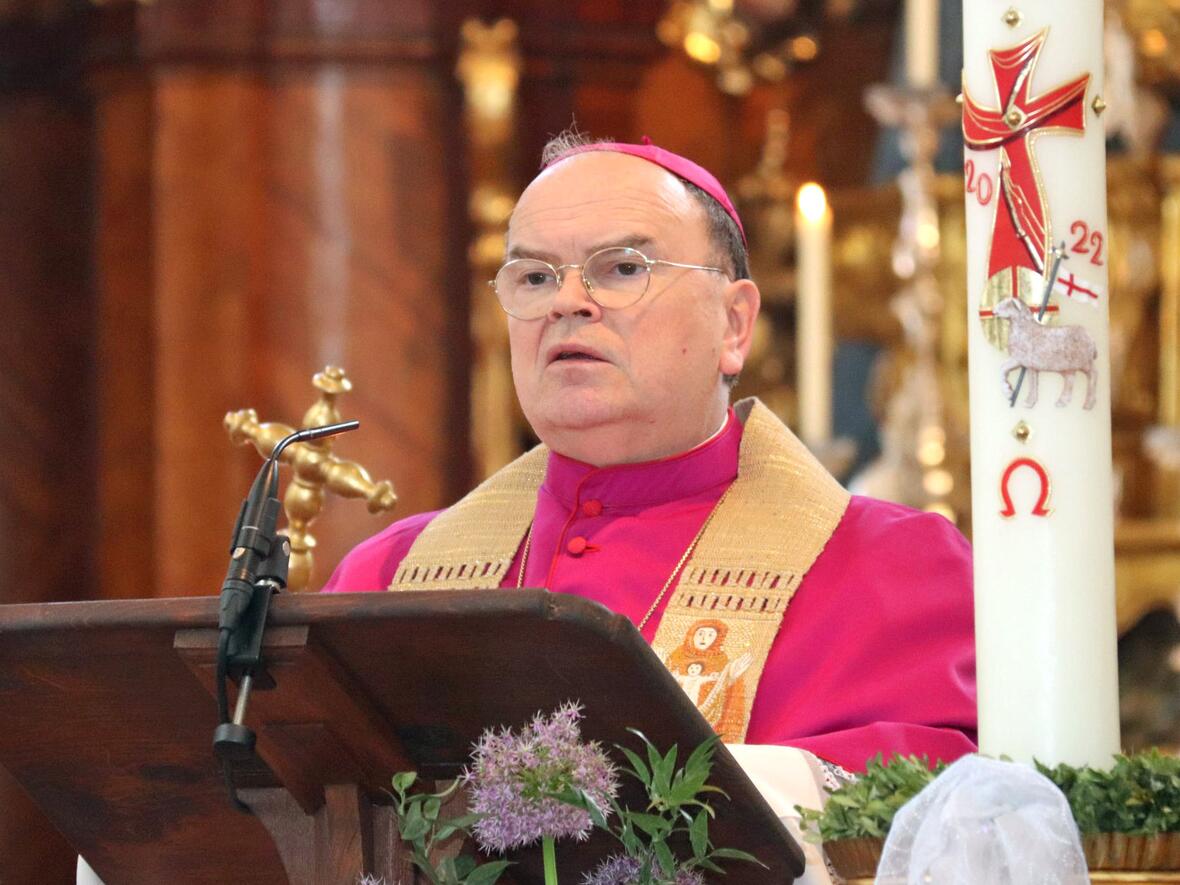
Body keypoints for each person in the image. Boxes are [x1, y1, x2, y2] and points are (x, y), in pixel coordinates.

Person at [323, 131, 976, 882]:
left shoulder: (894, 570)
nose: (568, 301)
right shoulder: (388, 575)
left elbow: (939, 823)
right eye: (533, 277)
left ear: (734, 325)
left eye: (623, 268)